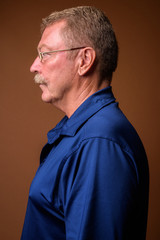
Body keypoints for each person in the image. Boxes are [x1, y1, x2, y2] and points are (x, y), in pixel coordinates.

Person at [21, 6, 149, 240]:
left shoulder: (99, 143)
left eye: (45, 54)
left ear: (84, 60)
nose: (34, 66)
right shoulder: (86, 134)